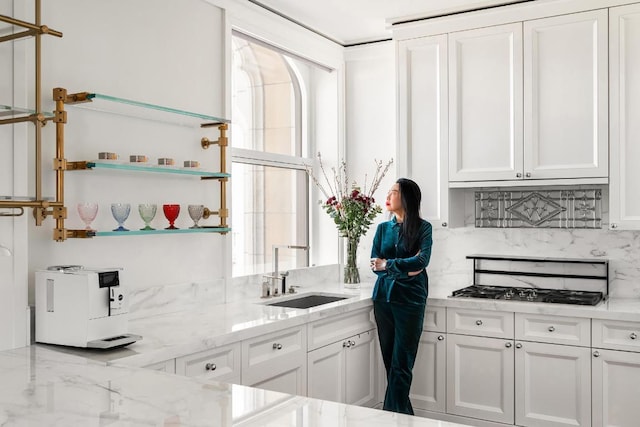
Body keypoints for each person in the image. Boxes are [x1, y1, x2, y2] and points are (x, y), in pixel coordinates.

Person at [370, 178, 433, 415]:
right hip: (383, 299)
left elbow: (422, 261)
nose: (388, 195)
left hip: (411, 300)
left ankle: (389, 417)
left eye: (394, 192)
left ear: (406, 198)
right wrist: (402, 267)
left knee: (402, 364)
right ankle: (404, 418)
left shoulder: (423, 228)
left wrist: (389, 265)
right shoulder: (382, 229)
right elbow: (374, 264)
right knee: (390, 363)